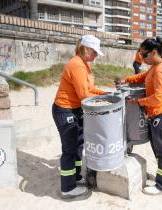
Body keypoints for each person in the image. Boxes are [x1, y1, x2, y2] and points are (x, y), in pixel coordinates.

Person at [52, 35, 106, 198]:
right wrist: (102, 99)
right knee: (69, 149)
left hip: (76, 109)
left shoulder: (85, 64)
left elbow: (90, 88)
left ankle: (75, 176)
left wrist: (104, 94)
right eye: (95, 52)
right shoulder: (77, 65)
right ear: (86, 49)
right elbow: (84, 94)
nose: (96, 55)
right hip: (65, 110)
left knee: (78, 144)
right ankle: (67, 188)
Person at [122, 37, 162, 195]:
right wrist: (126, 80)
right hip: (160, 113)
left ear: (154, 52)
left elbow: (158, 97)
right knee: (160, 149)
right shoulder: (156, 66)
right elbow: (142, 77)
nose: (142, 59)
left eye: (144, 55)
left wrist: (139, 102)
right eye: (140, 56)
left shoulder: (160, 70)